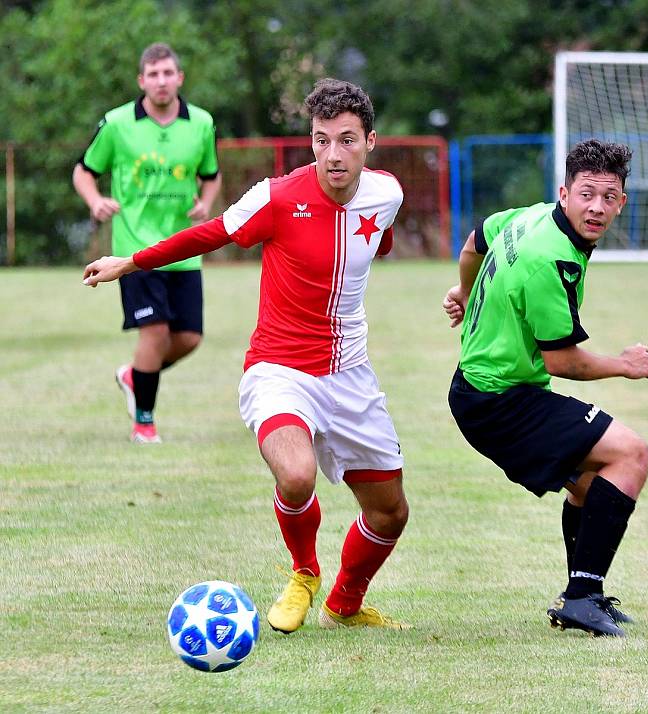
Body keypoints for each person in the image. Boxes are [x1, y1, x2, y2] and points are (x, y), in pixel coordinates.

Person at [83, 78, 410, 632]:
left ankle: (344, 604)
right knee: (297, 475)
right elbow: (208, 234)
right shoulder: (276, 197)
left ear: (370, 142)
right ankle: (304, 573)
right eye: (321, 139)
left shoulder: (387, 193)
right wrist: (131, 262)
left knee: (389, 512)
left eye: (347, 140)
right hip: (279, 369)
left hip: (351, 373)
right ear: (311, 142)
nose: (334, 153)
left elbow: (379, 236)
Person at [443, 139, 648, 637]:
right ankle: (582, 598)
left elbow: (476, 239)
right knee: (632, 454)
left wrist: (464, 288)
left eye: (609, 196)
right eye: (587, 194)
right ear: (565, 193)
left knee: (593, 483)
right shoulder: (550, 259)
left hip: (485, 391)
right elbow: (562, 361)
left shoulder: (532, 216)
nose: (597, 207)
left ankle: (583, 594)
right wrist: (623, 365)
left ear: (622, 200)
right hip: (500, 401)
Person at [73, 42, 221, 444]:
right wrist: (95, 200)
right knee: (154, 333)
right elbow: (84, 171)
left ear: (179, 78)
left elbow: (211, 174)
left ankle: (132, 376)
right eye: (153, 74)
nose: (161, 81)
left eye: (168, 73)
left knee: (189, 339)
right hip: (133, 252)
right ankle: (144, 423)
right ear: (142, 81)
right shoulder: (118, 123)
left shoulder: (201, 123)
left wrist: (205, 203)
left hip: (184, 250)